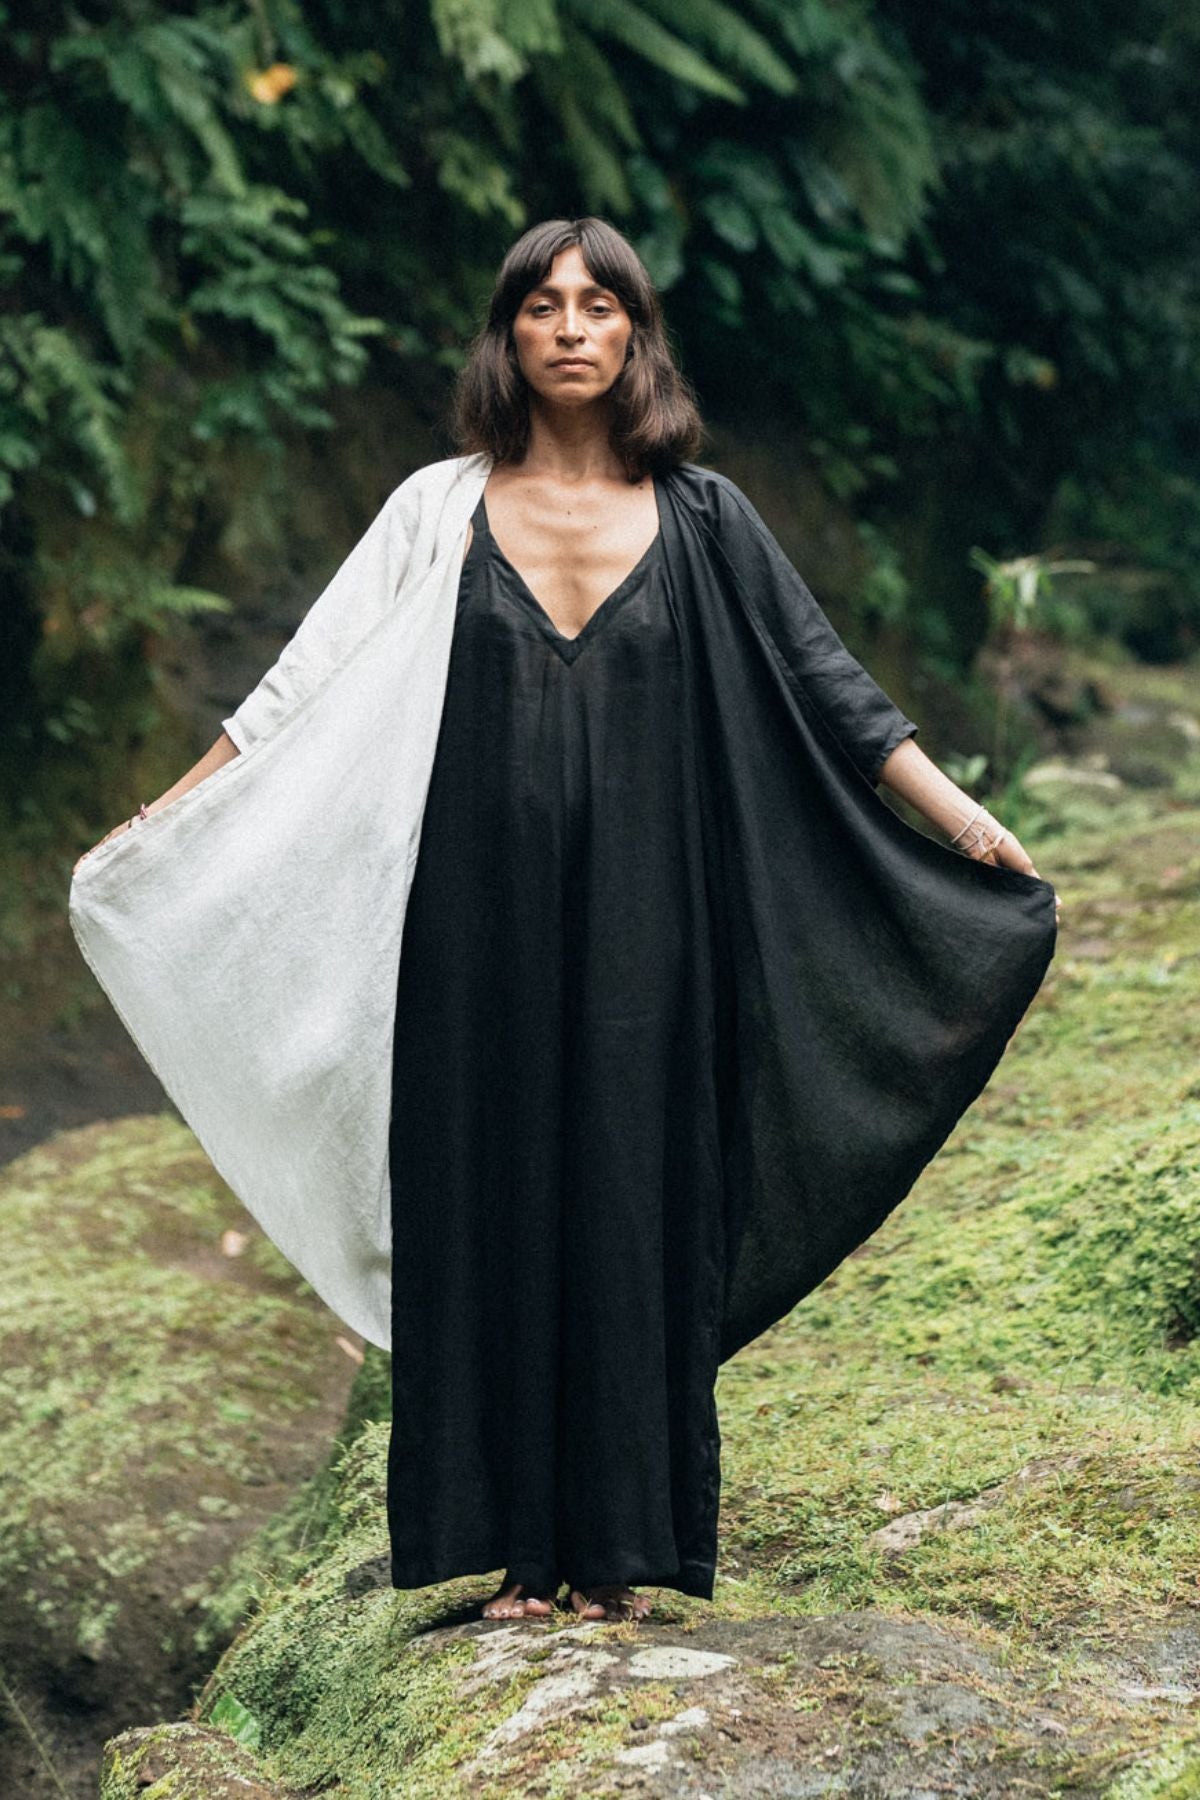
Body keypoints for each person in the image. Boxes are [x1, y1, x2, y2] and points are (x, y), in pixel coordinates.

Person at [73, 216, 1059, 1629]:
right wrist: (163, 818)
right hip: (468, 930)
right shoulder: (435, 510)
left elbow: (831, 686)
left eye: (601, 305)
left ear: (637, 336)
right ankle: (519, 1562)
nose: (574, 327)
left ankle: (618, 1556)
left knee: (631, 1205)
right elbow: (296, 687)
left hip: (656, 938)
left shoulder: (707, 517)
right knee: (487, 1202)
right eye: (544, 306)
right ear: (510, 337)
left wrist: (961, 820)